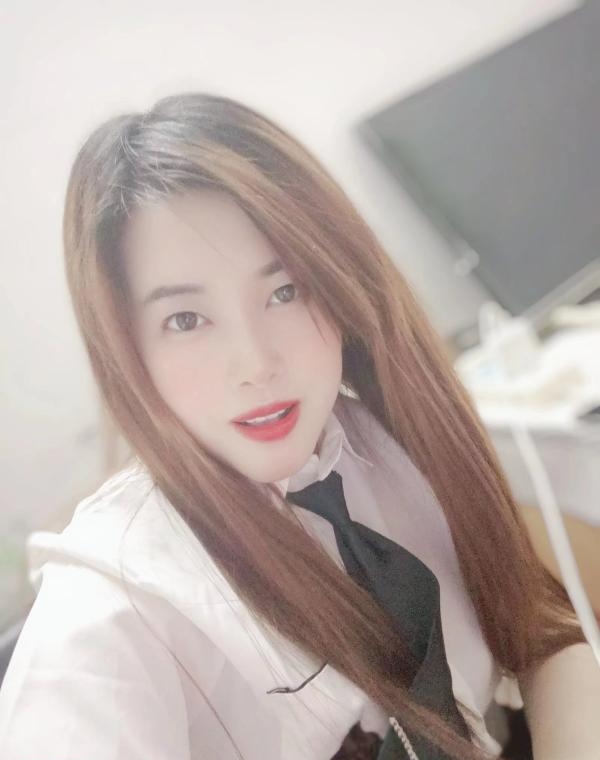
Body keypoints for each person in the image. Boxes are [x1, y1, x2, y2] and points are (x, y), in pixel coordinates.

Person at [0, 92, 598, 760]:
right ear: (127, 348)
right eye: (186, 320)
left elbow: (540, 629)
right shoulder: (119, 599)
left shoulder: (396, 438)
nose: (256, 364)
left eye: (285, 292)